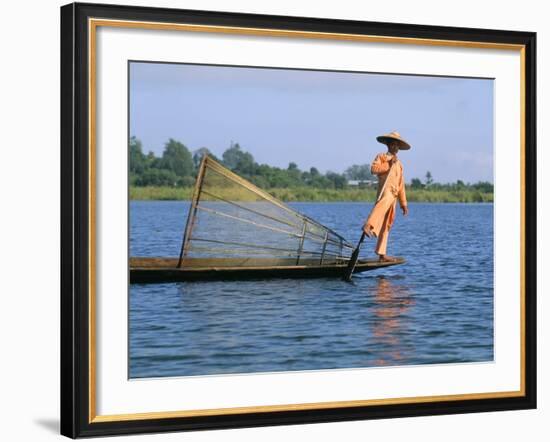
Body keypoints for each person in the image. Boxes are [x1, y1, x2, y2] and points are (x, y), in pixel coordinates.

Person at [362, 131, 410, 262]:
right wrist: (388, 164)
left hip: (394, 195)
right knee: (379, 208)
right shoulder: (382, 156)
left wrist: (403, 203)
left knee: (387, 224)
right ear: (388, 145)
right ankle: (368, 225)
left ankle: (381, 253)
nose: (395, 148)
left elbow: (401, 185)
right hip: (385, 191)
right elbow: (374, 170)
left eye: (397, 146)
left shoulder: (399, 164)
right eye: (393, 145)